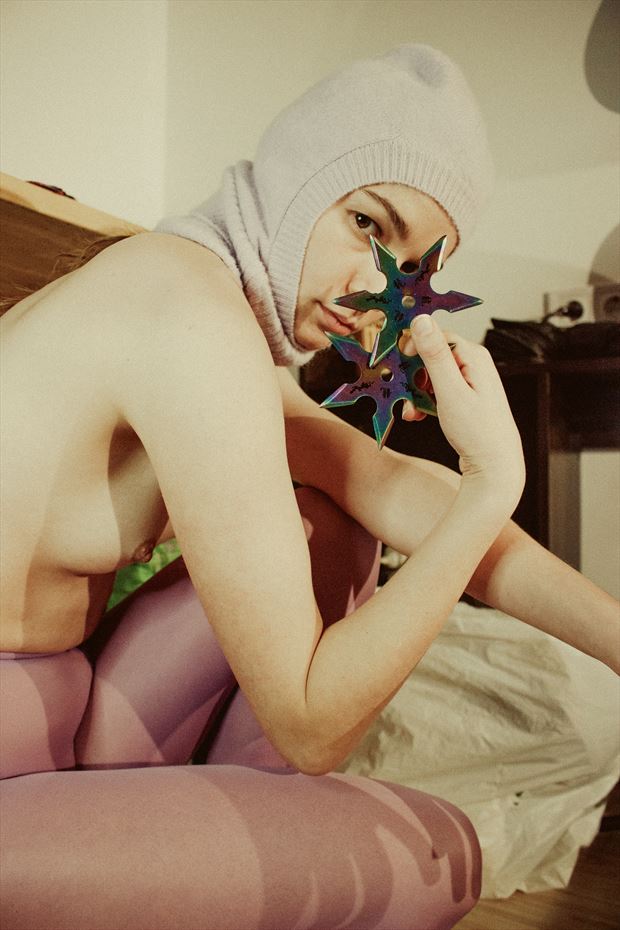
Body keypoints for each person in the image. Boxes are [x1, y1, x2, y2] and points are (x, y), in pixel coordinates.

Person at [0, 44, 617, 930]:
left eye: (412, 271)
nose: (376, 293)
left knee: (332, 515)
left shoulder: (197, 300)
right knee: (439, 852)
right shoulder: (186, 318)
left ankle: (204, 851)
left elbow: (389, 484)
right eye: (367, 224)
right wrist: (492, 486)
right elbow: (310, 724)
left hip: (55, 713)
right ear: (296, 180)